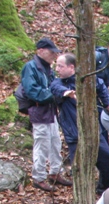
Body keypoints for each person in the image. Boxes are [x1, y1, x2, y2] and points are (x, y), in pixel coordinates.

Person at [50, 53, 109, 194]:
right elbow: (55, 88)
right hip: (74, 133)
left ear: (71, 67)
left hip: (92, 130)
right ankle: (81, 193)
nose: (57, 69)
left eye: (60, 66)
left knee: (107, 158)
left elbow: (101, 86)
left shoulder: (86, 79)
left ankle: (103, 188)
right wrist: (66, 93)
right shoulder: (58, 83)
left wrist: (107, 105)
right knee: (80, 167)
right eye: (56, 65)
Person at [21, 38, 72, 192]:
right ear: (41, 50)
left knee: (55, 142)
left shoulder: (48, 69)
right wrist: (54, 94)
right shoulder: (30, 67)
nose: (54, 56)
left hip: (51, 111)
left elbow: (54, 85)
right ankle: (39, 177)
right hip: (39, 110)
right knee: (42, 145)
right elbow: (32, 91)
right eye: (51, 52)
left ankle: (55, 172)